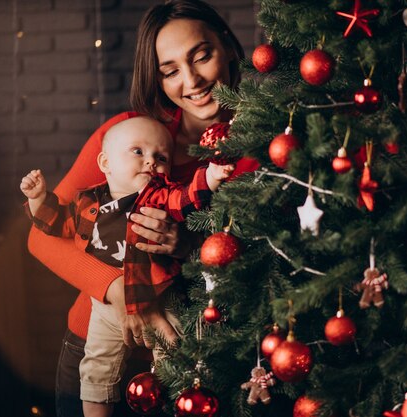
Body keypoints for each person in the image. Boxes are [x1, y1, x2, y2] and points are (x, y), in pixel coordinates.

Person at [26, 1, 257, 416]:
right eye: (169, 71)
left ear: (227, 46)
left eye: (201, 55)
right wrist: (123, 294)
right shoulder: (128, 135)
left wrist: (187, 247)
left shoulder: (261, 150)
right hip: (92, 343)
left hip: (199, 363)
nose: (191, 80)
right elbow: (41, 237)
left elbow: (263, 270)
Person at [22, 115, 234, 417]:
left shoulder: (159, 197)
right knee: (97, 365)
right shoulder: (89, 204)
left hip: (161, 298)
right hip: (104, 307)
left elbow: (186, 198)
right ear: (105, 163)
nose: (151, 162)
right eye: (138, 152)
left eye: (161, 158)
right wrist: (38, 198)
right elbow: (55, 224)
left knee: (172, 359)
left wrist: (210, 177)